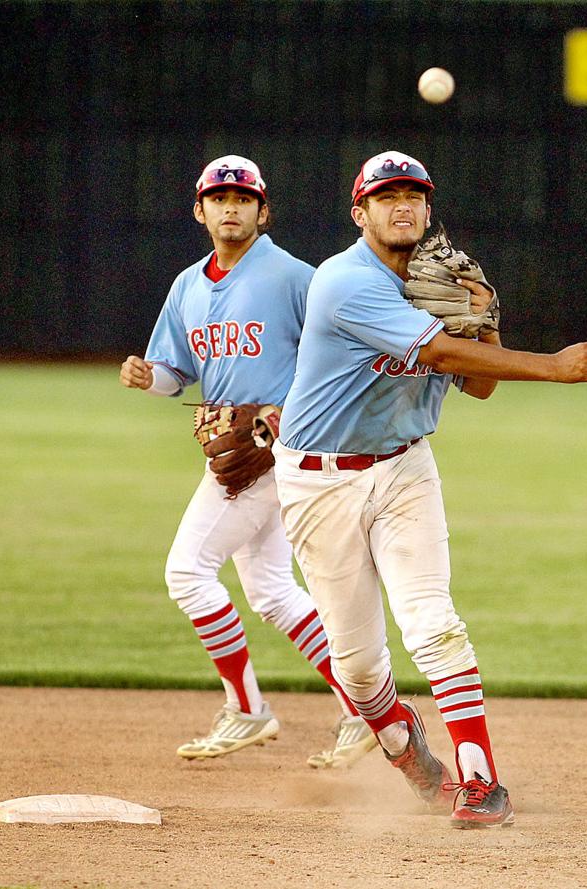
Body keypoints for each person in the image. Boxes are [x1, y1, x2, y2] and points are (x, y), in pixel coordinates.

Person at [272, 150, 587, 828]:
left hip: (404, 470)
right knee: (361, 669)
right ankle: (404, 744)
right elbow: (438, 354)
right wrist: (553, 366)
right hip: (319, 483)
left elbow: (479, 381)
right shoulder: (344, 281)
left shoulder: (439, 280)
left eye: (413, 194)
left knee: (433, 623)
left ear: (428, 210)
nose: (400, 205)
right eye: (384, 195)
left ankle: (481, 779)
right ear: (360, 212)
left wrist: (487, 318)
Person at [120, 155, 377, 769]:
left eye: (243, 198)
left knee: (187, 572)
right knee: (270, 593)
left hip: (282, 449)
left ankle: (247, 709)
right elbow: (178, 372)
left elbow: (338, 355)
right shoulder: (187, 286)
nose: (230, 207)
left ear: (263, 212)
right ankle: (364, 712)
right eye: (218, 198)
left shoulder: (293, 277)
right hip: (236, 450)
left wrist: (287, 409)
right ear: (200, 211)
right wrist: (148, 376)